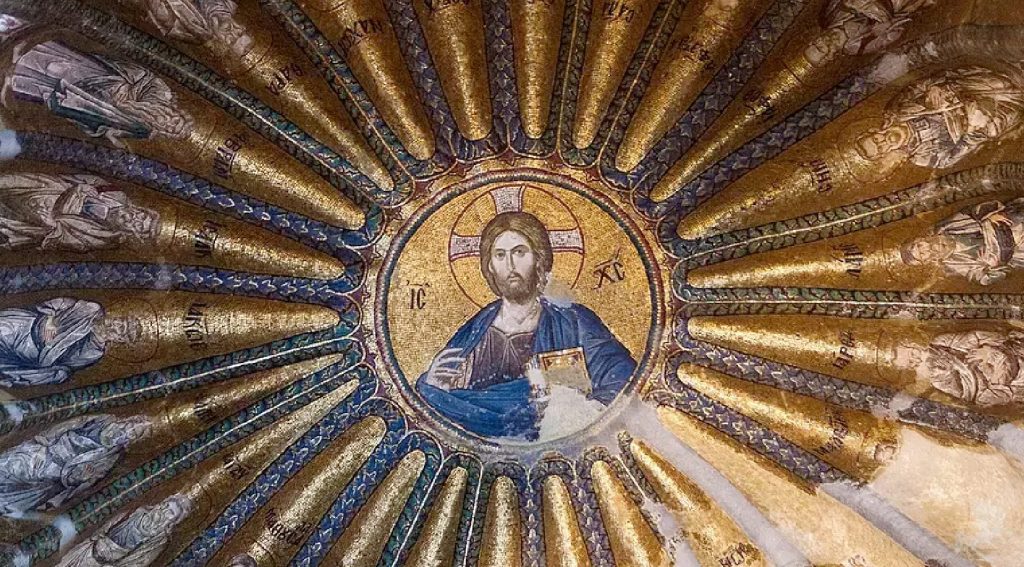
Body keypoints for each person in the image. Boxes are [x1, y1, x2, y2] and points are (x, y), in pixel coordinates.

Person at [415, 212, 635, 440]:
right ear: (490, 266)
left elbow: (622, 378)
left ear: (538, 258)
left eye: (519, 252)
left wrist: (583, 414)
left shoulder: (574, 321)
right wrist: (432, 387)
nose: (510, 265)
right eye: (500, 255)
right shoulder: (473, 334)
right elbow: (441, 402)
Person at [8, 41, 194, 145]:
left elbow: (110, 129)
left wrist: (111, 132)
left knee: (52, 84)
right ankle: (28, 51)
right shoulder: (163, 94)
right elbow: (144, 75)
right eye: (176, 120)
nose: (169, 122)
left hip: (92, 101)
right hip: (106, 79)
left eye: (171, 128)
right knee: (65, 65)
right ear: (177, 113)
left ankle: (18, 73)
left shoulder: (143, 130)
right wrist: (128, 91)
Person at [853, 65, 1024, 169]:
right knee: (998, 125)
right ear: (884, 154)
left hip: (961, 91)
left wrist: (934, 87)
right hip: (977, 120)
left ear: (873, 131)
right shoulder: (922, 156)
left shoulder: (896, 110)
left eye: (875, 140)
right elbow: (960, 151)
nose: (883, 142)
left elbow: (917, 87)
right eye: (880, 148)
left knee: (1001, 84)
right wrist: (973, 128)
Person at [0, 415, 151, 516]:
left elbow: (87, 481)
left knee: (16, 496)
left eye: (134, 435)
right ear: (128, 421)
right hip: (42, 454)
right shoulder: (101, 421)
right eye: (131, 427)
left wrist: (81, 476)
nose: (128, 432)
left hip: (54, 475)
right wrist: (45, 440)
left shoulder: (112, 456)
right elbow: (66, 426)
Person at [0, 297, 143, 388]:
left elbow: (64, 363)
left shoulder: (93, 352)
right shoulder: (92, 309)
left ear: (118, 339)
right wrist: (50, 320)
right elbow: (60, 303)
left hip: (31, 353)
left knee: (60, 374)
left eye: (121, 330)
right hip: (26, 326)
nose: (116, 326)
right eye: (120, 321)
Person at [0, 173, 160, 253]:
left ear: (132, 233)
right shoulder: (116, 194)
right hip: (53, 192)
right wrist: (79, 186)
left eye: (138, 226)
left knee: (18, 222)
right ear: (139, 209)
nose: (134, 219)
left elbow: (66, 239)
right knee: (16, 183)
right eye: (141, 216)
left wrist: (55, 224)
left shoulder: (104, 239)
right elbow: (87, 180)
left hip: (44, 220)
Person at [901, 198, 1024, 285]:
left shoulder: (946, 227)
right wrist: (992, 266)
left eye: (920, 246)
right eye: (922, 254)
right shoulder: (957, 265)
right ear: (928, 261)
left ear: (921, 239)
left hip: (1011, 222)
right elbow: (988, 277)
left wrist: (989, 215)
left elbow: (972, 211)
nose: (928, 248)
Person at [56, 493, 192, 567]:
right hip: (88, 551)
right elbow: (109, 525)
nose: (163, 511)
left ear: (174, 521)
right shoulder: (136, 513)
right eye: (166, 505)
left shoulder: (159, 540)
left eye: (171, 512)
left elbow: (140, 562)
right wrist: (95, 540)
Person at [805, 0, 935, 66]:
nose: (821, 42)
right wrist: (882, 27)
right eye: (820, 49)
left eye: (814, 43)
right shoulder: (858, 46)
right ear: (829, 56)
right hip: (892, 4)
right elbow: (893, 34)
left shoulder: (827, 17)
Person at [129, 0, 253, 57]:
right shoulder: (229, 4)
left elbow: (158, 11)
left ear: (220, 45)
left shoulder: (188, 30)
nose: (233, 31)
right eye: (240, 33)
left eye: (231, 40)